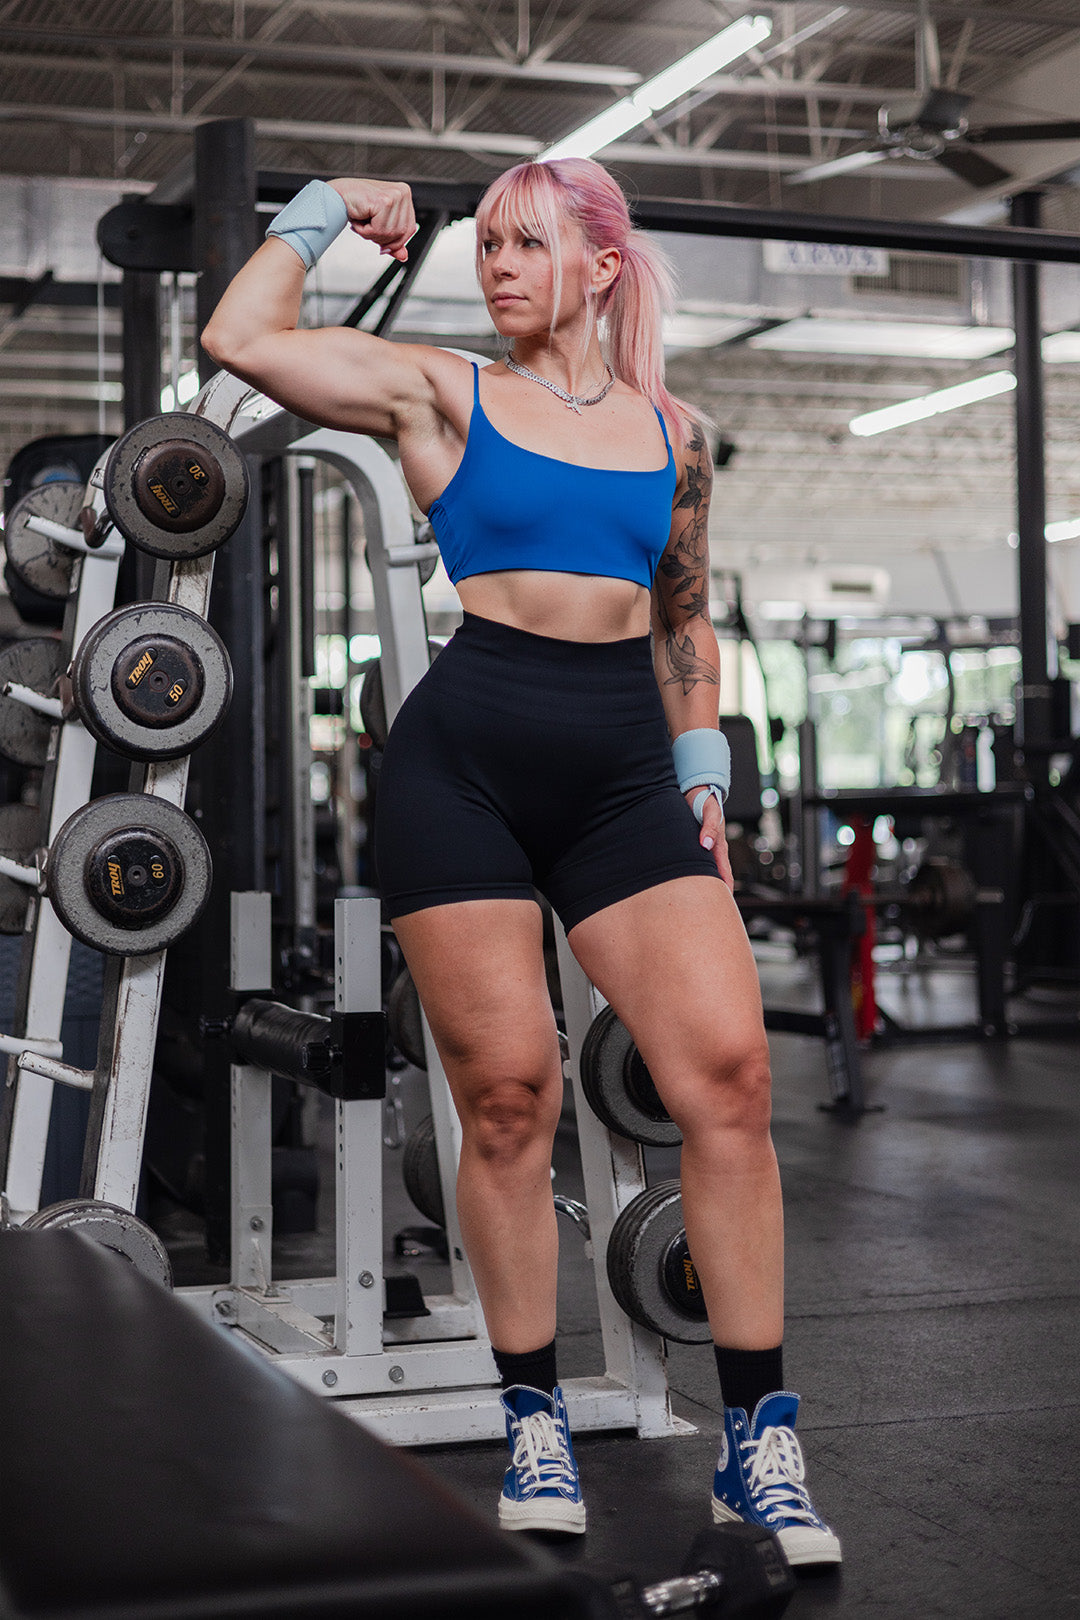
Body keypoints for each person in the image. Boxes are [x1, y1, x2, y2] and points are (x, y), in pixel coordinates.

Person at [201, 157, 841, 1568]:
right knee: (505, 1099)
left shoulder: (679, 433)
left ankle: (759, 1437)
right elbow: (238, 340)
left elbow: (682, 617)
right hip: (467, 762)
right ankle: (535, 1413)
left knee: (729, 1075)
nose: (495, 262)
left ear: (601, 266)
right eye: (484, 241)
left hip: (624, 771)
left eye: (526, 240)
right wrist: (317, 210)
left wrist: (704, 776)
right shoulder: (441, 390)